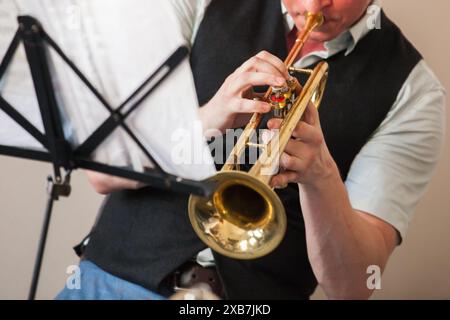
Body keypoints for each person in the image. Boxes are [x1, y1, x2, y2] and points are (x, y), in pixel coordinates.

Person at [57, 0, 446, 299]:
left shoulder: (415, 91)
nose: (311, 9)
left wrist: (320, 174)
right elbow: (101, 170)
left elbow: (354, 286)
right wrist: (206, 120)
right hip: (111, 282)